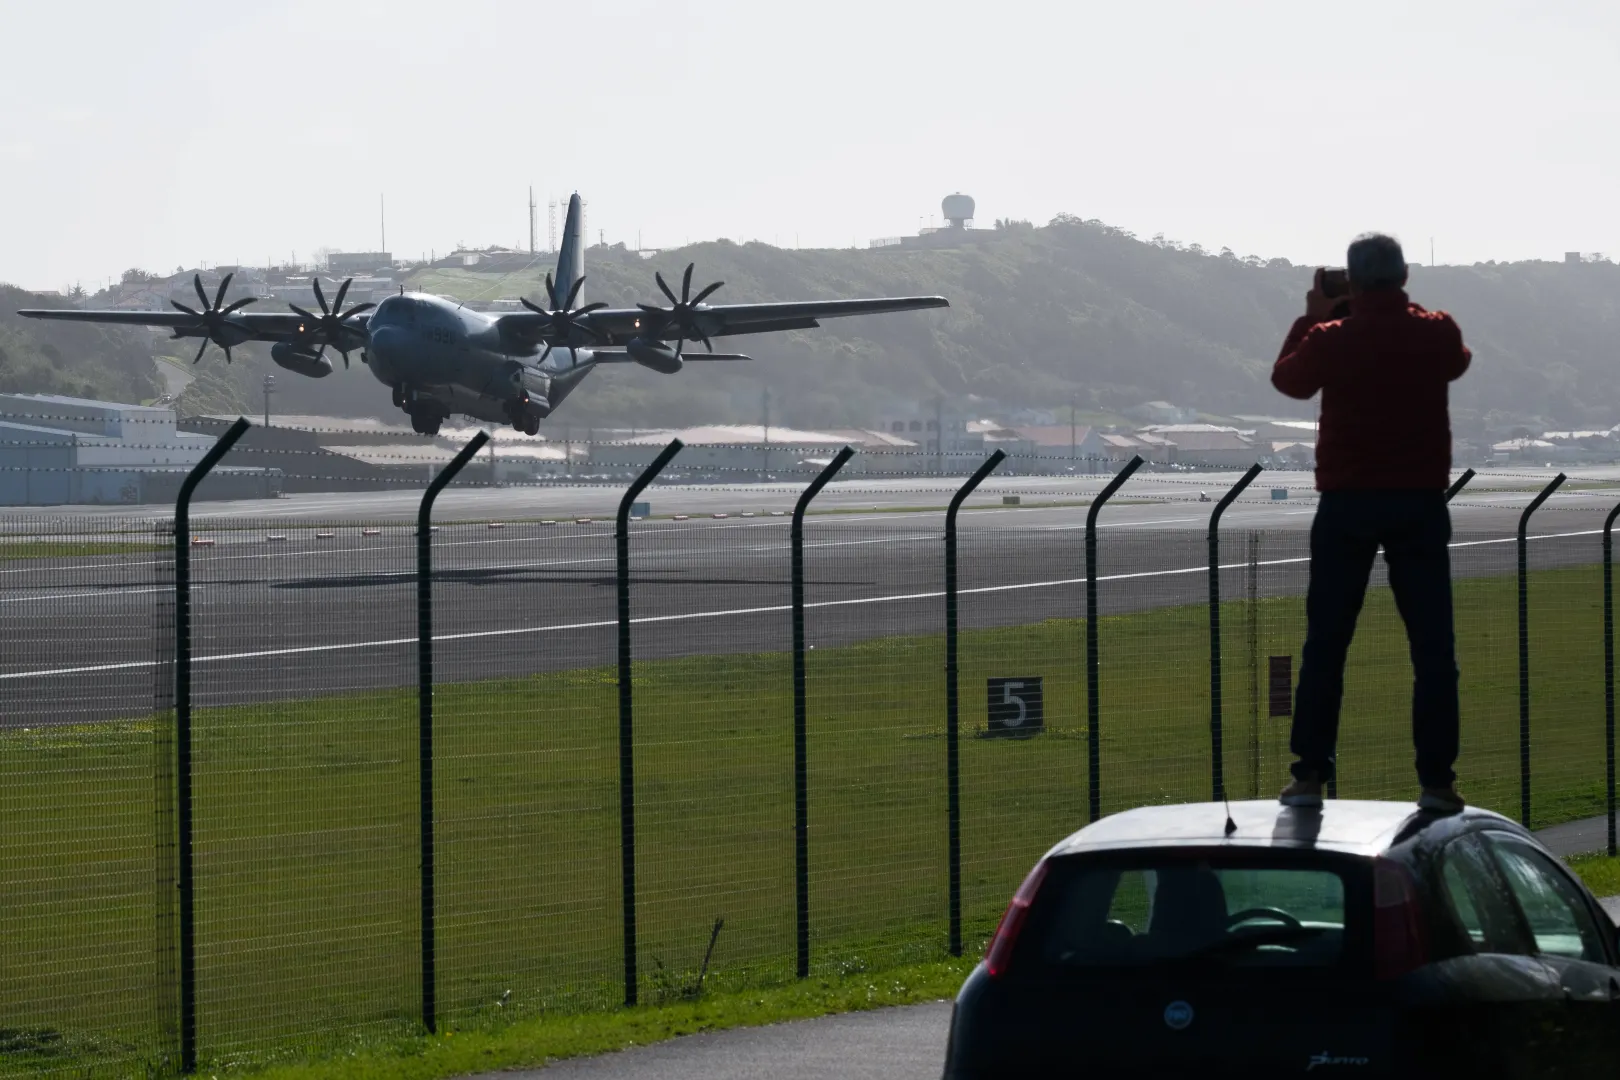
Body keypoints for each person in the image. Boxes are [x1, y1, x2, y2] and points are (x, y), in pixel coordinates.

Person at [1271, 233, 1472, 813]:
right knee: (1433, 649)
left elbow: (1289, 380)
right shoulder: (1435, 331)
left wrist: (1313, 317)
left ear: (1351, 283)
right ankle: (1438, 781)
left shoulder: (1334, 337)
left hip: (1348, 501)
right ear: (1405, 275)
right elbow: (1456, 361)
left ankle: (1310, 773)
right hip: (1419, 501)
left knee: (1327, 645)